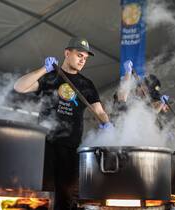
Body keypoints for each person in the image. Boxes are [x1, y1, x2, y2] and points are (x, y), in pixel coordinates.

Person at [14, 37, 111, 210]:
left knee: (66, 199)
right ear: (67, 53)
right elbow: (19, 87)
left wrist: (107, 124)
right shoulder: (51, 77)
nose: (82, 60)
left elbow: (99, 111)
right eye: (79, 55)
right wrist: (44, 69)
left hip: (71, 148)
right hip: (46, 146)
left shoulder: (87, 84)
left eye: (85, 58)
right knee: (44, 196)